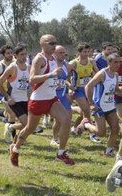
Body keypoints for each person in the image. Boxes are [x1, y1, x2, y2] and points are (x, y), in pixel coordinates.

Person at [9, 34, 75, 166]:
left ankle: (61, 153)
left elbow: (52, 77)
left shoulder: (54, 58)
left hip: (52, 98)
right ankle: (15, 149)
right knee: (29, 129)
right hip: (38, 100)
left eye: (55, 42)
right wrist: (51, 75)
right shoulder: (39, 59)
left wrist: (53, 81)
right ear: (42, 44)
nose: (54, 45)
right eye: (51, 43)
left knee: (66, 121)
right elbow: (32, 80)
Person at [83, 54, 122, 156]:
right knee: (101, 133)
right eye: (115, 62)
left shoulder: (115, 75)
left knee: (115, 129)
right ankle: (86, 124)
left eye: (119, 62)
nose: (118, 64)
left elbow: (115, 91)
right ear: (109, 62)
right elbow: (88, 87)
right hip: (99, 107)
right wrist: (91, 103)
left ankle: (108, 151)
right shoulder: (102, 74)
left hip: (110, 106)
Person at [0, 44, 30, 144]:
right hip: (14, 100)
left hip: (26, 99)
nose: (24, 57)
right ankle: (10, 126)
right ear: (15, 55)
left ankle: (14, 144)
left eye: (25, 54)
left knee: (27, 126)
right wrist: (8, 97)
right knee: (26, 124)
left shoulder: (29, 67)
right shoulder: (12, 68)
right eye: (21, 54)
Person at [70, 42, 100, 142]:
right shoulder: (73, 63)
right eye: (84, 51)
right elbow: (65, 76)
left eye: (88, 51)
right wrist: (69, 86)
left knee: (83, 113)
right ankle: (92, 134)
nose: (87, 54)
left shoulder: (92, 61)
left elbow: (97, 73)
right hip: (78, 90)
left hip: (89, 89)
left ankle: (74, 128)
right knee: (87, 110)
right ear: (79, 52)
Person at [51, 45, 72, 146]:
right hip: (53, 96)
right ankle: (54, 138)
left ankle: (62, 139)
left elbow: (65, 79)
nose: (63, 55)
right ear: (54, 54)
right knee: (58, 120)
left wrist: (69, 85)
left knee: (68, 118)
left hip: (63, 95)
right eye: (61, 53)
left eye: (64, 53)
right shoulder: (51, 64)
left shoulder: (65, 65)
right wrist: (54, 84)